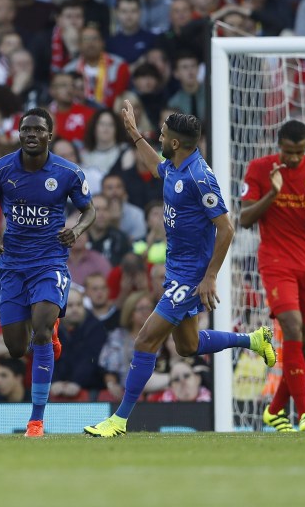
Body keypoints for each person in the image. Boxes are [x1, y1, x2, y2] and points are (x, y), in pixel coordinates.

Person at [84, 102, 276, 437]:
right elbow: (157, 167)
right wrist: (133, 134)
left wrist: (209, 276)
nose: (157, 136)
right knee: (187, 346)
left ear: (174, 142)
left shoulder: (200, 177)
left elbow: (227, 228)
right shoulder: (175, 165)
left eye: (161, 134)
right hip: (176, 269)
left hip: (190, 276)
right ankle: (254, 340)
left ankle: (118, 420)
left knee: (145, 341)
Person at [0, 107, 97, 437]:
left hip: (49, 262)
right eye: (25, 129)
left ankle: (36, 420)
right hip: (13, 265)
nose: (31, 134)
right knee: (17, 348)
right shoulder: (1, 170)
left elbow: (89, 211)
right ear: (19, 134)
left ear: (50, 134)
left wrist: (76, 230)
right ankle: (48, 331)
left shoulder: (67, 172)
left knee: (41, 332)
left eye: (38, 130)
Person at [239, 119, 305, 433]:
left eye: (299, 152)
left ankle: (274, 409)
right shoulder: (260, 169)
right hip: (276, 263)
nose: (294, 158)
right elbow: (244, 218)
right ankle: (304, 414)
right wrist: (272, 194)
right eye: (288, 152)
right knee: (292, 328)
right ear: (278, 146)